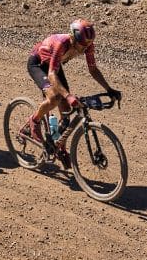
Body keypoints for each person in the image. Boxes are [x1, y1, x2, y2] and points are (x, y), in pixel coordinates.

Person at [24, 18, 122, 163]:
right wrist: (68, 95)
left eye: (87, 45)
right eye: (81, 45)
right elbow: (51, 74)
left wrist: (109, 89)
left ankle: (58, 145)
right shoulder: (61, 44)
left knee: (65, 111)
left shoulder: (87, 44)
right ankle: (34, 121)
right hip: (38, 64)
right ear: (72, 37)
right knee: (55, 97)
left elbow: (93, 69)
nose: (84, 49)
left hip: (53, 65)